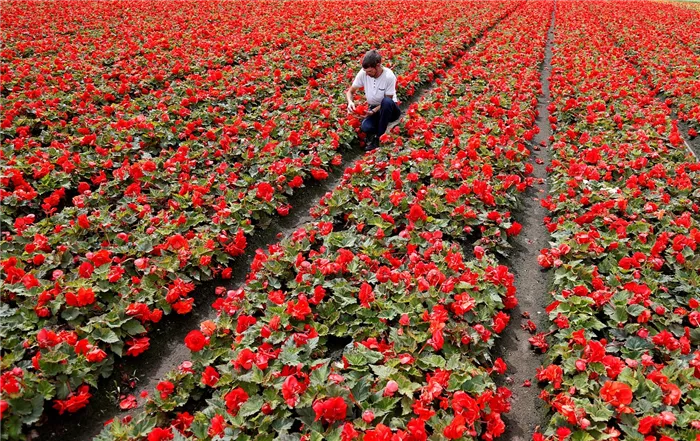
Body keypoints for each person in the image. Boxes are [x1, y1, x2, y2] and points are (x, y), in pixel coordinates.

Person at [346, 49, 401, 151]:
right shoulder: (363, 73)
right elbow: (350, 92)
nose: (367, 74)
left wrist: (373, 111)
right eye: (366, 71)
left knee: (386, 102)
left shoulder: (389, 76)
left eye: (370, 71)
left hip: (390, 109)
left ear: (378, 65)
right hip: (374, 108)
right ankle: (380, 127)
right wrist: (350, 102)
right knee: (366, 127)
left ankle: (378, 138)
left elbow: (388, 100)